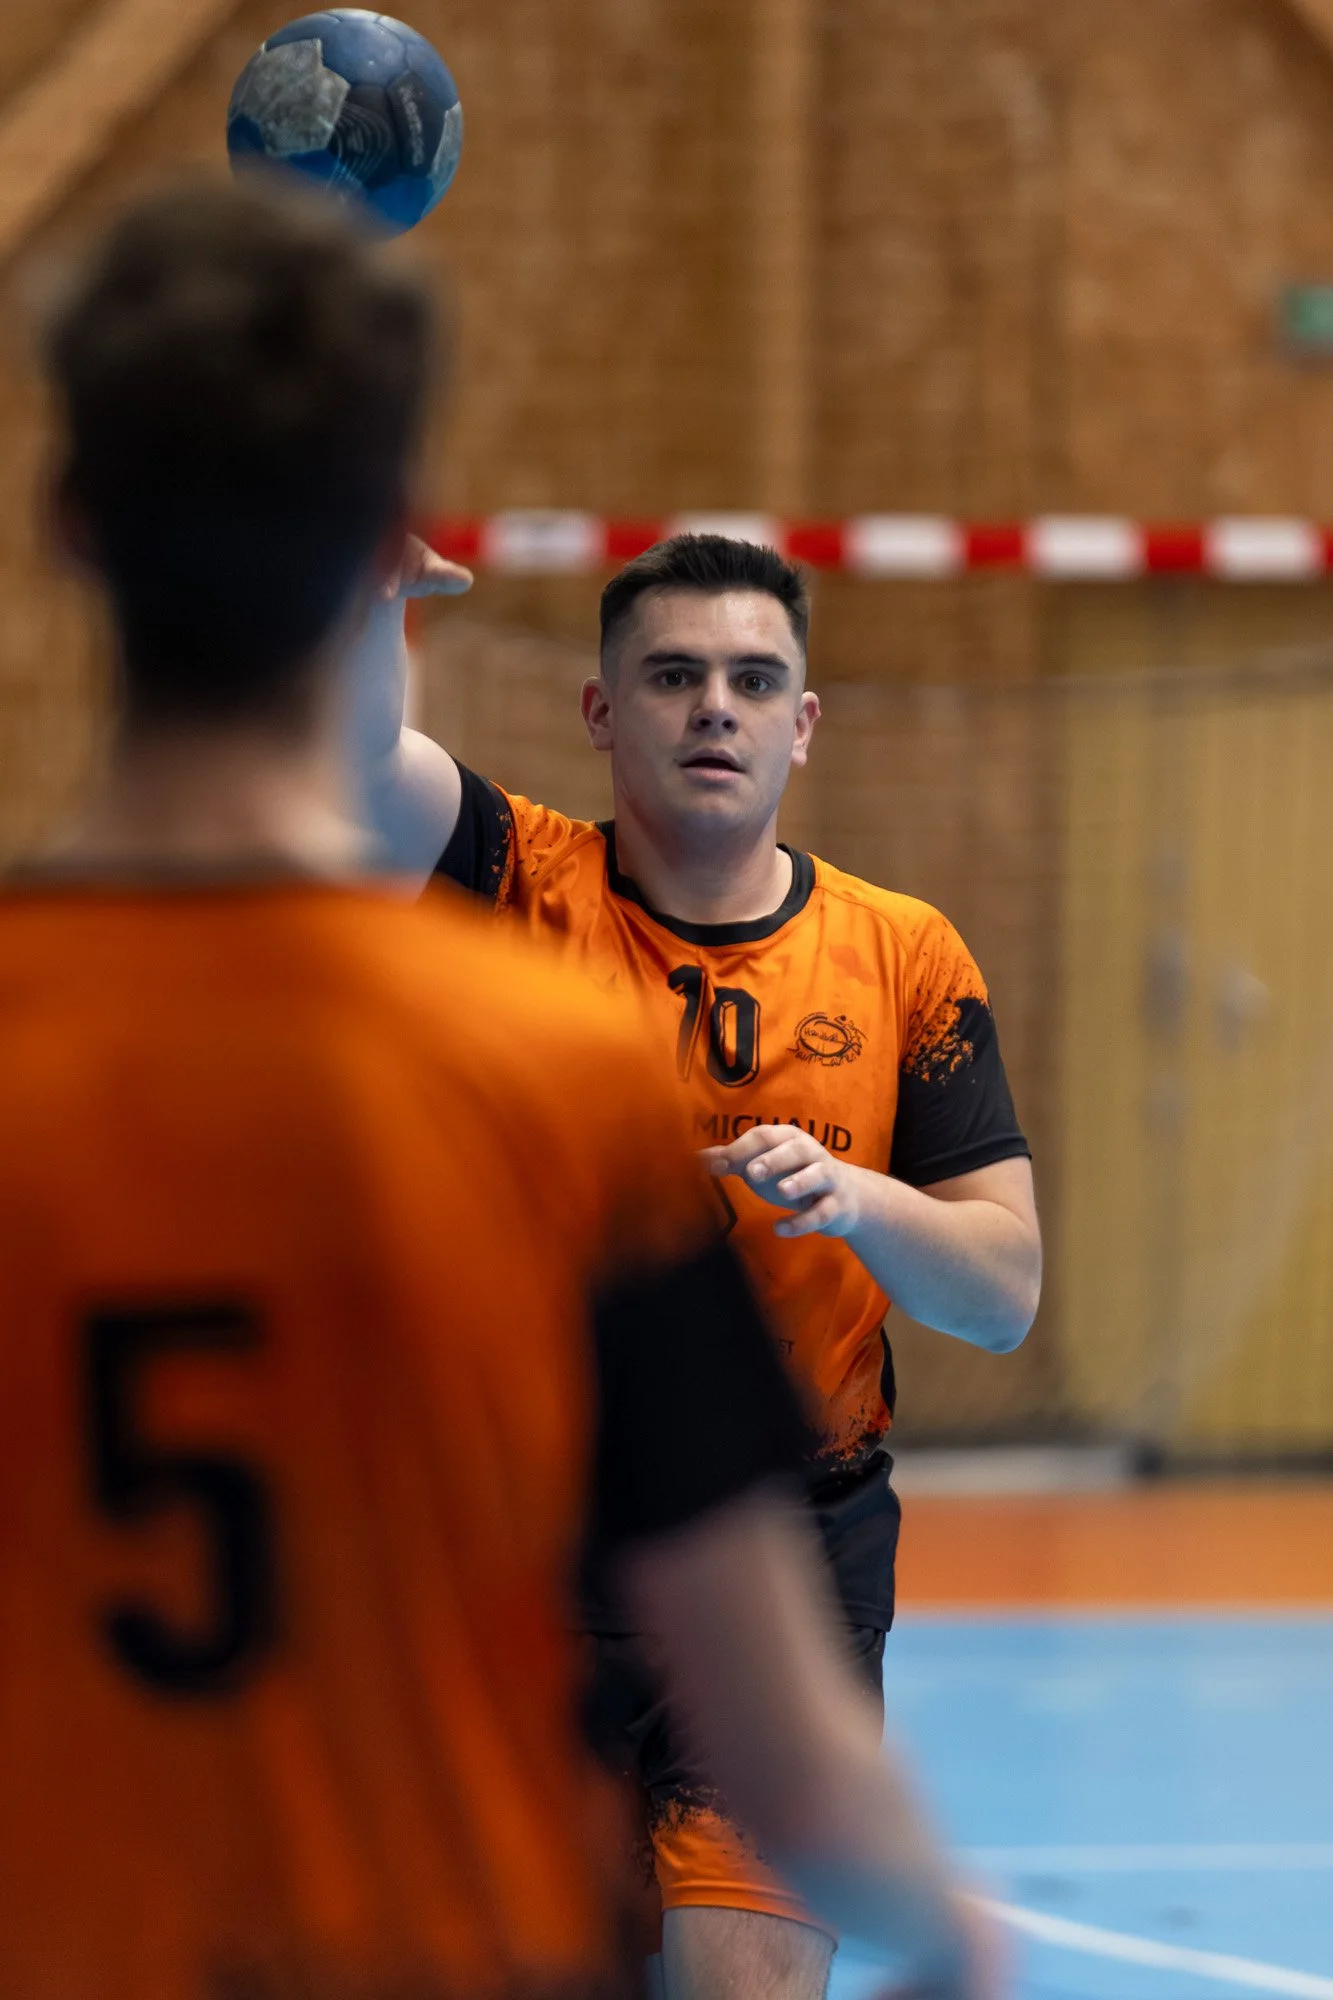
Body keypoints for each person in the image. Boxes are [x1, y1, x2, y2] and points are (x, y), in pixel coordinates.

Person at [0, 177, 991, 2000]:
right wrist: (950, 1935)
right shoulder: (543, 1071)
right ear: (393, 539)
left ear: (65, 530)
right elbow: (777, 1729)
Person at [351, 531, 1043, 2000]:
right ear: (602, 713)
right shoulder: (509, 876)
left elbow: (1002, 1292)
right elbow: (353, 767)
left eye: (751, 679)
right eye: (671, 676)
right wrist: (363, 600)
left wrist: (863, 1202)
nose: (712, 707)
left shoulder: (906, 957)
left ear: (804, 723)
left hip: (792, 1546)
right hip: (524, 1555)